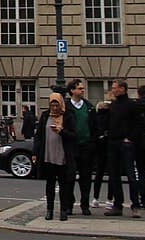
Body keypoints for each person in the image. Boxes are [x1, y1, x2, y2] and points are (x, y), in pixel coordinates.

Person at [32, 93, 76, 221]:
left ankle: (63, 210)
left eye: (57, 105)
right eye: (52, 105)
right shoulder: (45, 116)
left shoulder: (68, 116)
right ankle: (49, 210)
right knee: (50, 185)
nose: (54, 108)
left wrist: (61, 131)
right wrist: (35, 152)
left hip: (63, 156)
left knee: (64, 185)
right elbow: (39, 136)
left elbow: (73, 135)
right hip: (48, 155)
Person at [103, 78, 142, 218]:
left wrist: (130, 138)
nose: (113, 90)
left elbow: (138, 124)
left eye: (115, 88)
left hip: (126, 143)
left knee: (131, 175)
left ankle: (135, 205)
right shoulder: (113, 105)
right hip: (113, 142)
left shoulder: (131, 105)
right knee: (114, 176)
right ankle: (117, 205)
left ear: (122, 89)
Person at [65, 79, 97, 216]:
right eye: (79, 88)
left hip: (86, 146)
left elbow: (94, 127)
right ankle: (69, 205)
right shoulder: (66, 107)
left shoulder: (89, 107)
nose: (82, 90)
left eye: (83, 88)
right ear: (72, 90)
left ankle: (85, 204)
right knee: (69, 177)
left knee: (86, 178)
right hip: (71, 147)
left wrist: (93, 142)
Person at [91, 100, 111, 207]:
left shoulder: (96, 118)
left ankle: (95, 198)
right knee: (111, 175)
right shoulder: (111, 118)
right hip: (109, 148)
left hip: (99, 149)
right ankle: (109, 199)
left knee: (98, 175)